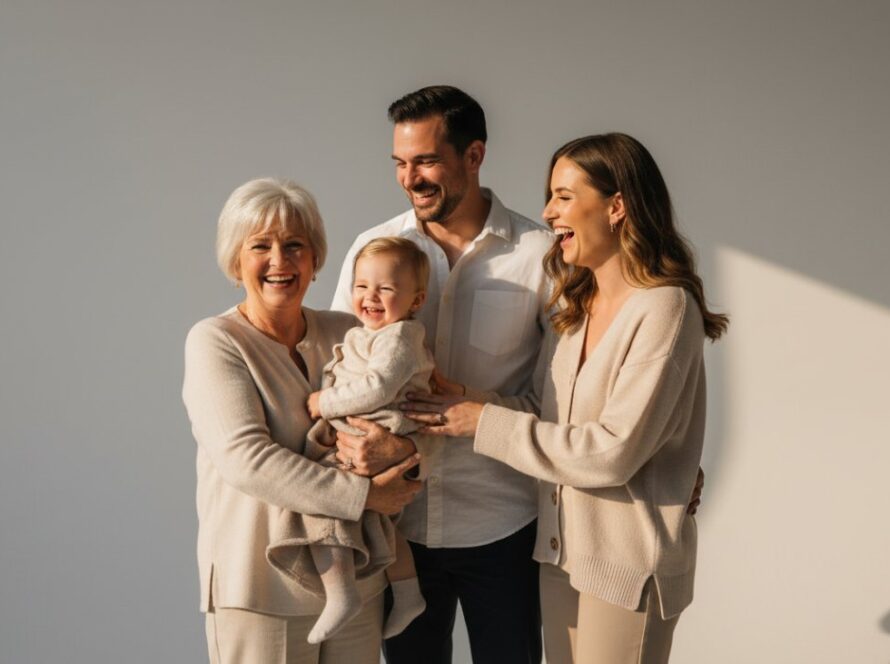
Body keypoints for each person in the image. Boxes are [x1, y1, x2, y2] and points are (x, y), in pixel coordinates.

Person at [402, 133, 728, 663]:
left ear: (617, 206)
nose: (548, 211)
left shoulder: (665, 308)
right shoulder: (578, 303)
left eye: (563, 196)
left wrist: (481, 422)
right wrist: (468, 400)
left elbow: (612, 452)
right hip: (561, 558)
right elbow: (544, 415)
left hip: (626, 566)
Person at [330, 86, 552, 663]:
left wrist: (474, 412)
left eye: (426, 161)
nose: (411, 178)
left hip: (503, 523)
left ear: (473, 156)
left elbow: (557, 405)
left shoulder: (541, 255)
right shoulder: (372, 250)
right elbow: (339, 371)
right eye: (401, 163)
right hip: (399, 524)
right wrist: (362, 452)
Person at [182, 178, 422, 664]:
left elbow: (407, 415)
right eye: (260, 246)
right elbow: (248, 461)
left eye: (295, 245)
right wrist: (367, 496)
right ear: (236, 260)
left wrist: (403, 455)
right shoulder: (215, 341)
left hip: (360, 578)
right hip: (259, 586)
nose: (280, 261)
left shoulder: (350, 330)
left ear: (315, 260)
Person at [265, 237, 433, 644]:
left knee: (324, 500)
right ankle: (409, 595)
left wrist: (326, 402)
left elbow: (377, 388)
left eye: (386, 289)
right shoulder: (365, 333)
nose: (370, 296)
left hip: (379, 431)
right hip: (363, 433)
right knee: (379, 520)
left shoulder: (399, 338)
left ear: (416, 299)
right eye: (361, 286)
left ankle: (341, 595)